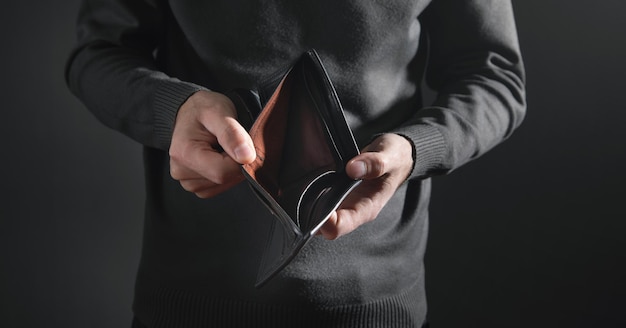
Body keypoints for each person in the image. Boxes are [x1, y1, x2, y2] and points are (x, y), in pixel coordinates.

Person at [66, 0, 526, 327]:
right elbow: (97, 53)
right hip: (191, 296)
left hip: (376, 302)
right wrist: (174, 111)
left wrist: (415, 148)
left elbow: (492, 75)